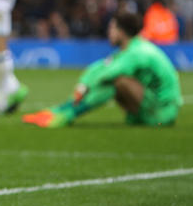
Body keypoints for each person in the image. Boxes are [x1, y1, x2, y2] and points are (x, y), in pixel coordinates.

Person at [22, 11, 183, 128]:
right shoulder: (131, 48)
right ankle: (59, 111)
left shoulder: (137, 52)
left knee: (117, 82)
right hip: (154, 108)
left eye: (112, 29)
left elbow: (107, 73)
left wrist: (84, 88)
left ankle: (66, 114)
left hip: (162, 115)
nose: (109, 33)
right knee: (113, 80)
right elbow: (98, 67)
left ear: (122, 32)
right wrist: (83, 85)